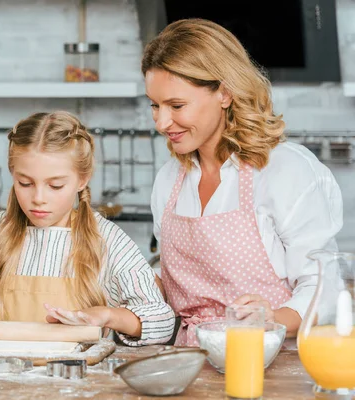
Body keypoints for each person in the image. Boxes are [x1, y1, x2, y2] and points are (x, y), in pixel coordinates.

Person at [143, 18, 343, 346]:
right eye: (154, 105)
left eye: (176, 106)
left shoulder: (285, 170)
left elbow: (324, 288)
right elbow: (176, 283)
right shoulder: (169, 180)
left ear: (224, 93)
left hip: (273, 363)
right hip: (188, 364)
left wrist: (271, 320)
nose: (162, 122)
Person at [0, 111, 175, 346]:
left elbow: (161, 320)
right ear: (12, 173)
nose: (38, 198)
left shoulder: (106, 239)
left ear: (82, 179)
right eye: (25, 183)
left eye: (55, 186)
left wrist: (109, 316)